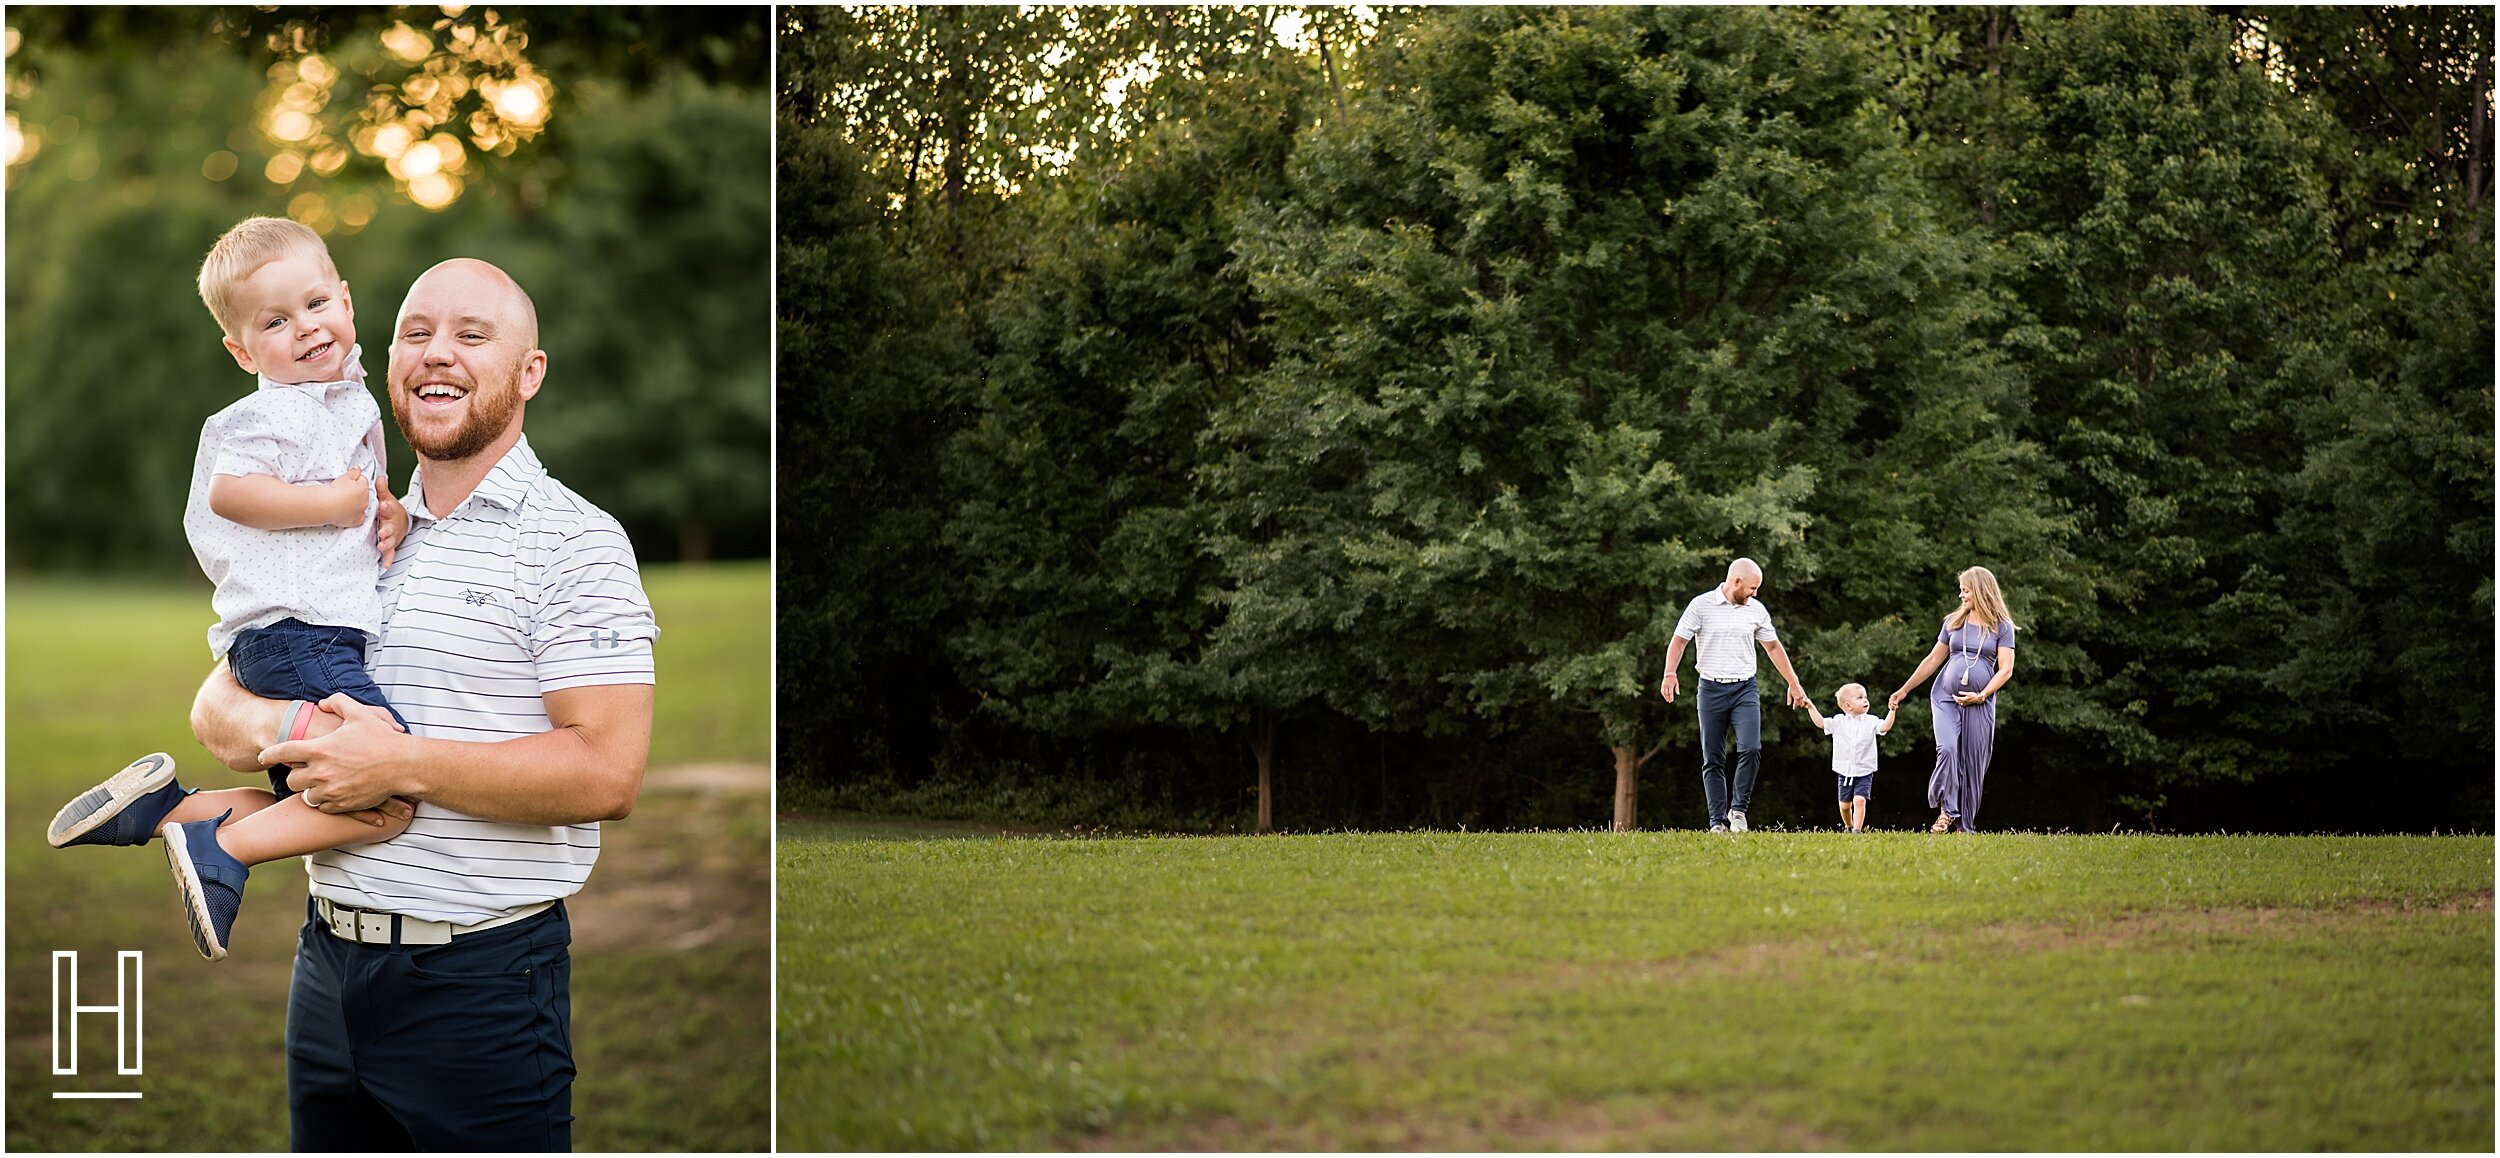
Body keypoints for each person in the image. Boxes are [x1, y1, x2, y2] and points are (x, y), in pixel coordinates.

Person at [186, 257, 658, 1150]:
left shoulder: (575, 543)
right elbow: (216, 701)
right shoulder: (359, 534)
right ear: (388, 357)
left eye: (472, 337)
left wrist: (397, 764)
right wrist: (275, 728)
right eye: (418, 332)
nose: (437, 354)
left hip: (478, 985)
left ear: (530, 372)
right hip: (326, 967)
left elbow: (607, 771)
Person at [45, 216, 416, 963]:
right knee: (389, 787)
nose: (306, 329)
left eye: (316, 304)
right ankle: (227, 850)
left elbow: (362, 494)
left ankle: (171, 811)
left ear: (345, 301)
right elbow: (230, 493)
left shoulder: (345, 402)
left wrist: (388, 512)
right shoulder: (271, 411)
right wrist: (333, 508)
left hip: (308, 637)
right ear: (242, 351)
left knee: (319, 797)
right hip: (299, 634)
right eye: (276, 322)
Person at [1659, 557, 1809, 832]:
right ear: (1736, 582)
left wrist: (1793, 682)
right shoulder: (1700, 605)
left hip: (1745, 688)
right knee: (1713, 757)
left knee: (1751, 748)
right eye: (1752, 588)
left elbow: (1773, 648)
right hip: (1710, 689)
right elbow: (1679, 641)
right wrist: (1670, 673)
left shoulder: (1756, 610)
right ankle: (1717, 822)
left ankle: (1738, 811)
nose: (1755, 594)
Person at [1886, 566, 2018, 833]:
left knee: (1972, 763)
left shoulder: (2001, 627)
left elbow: (2006, 669)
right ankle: (1946, 808)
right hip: (1946, 699)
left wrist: (1981, 695)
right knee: (1946, 748)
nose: (1961, 595)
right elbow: (1933, 659)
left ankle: (1963, 825)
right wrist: (1905, 689)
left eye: (1965, 590)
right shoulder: (1953, 623)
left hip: (1979, 703)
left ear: (1980, 591)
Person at [1800, 683, 1896, 832]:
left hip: (1864, 770)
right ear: (1848, 706)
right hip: (1844, 770)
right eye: (1860, 697)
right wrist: (1811, 707)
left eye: (1865, 697)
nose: (1865, 700)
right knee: (1845, 805)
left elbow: (1885, 727)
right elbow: (1820, 723)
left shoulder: (1871, 721)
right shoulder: (1838, 722)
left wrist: (1892, 710)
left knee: (1859, 800)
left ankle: (1857, 831)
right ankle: (1848, 826)